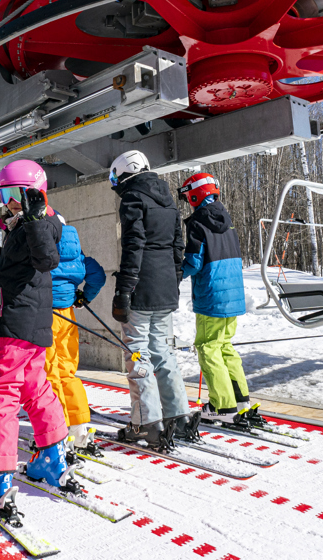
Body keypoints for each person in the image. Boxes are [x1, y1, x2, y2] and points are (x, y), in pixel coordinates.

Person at [0, 159, 73, 518]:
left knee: (2, 394)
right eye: (6, 194)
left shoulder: (39, 222)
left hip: (17, 322)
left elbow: (46, 259)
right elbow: (23, 267)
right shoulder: (25, 224)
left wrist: (32, 218)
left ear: (37, 194)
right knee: (34, 387)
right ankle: (51, 457)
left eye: (19, 194)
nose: (12, 202)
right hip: (30, 321)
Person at [109, 150, 194, 448]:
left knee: (137, 354)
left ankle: (146, 422)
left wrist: (124, 289)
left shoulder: (133, 198)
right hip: (165, 289)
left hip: (141, 289)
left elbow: (134, 246)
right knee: (164, 352)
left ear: (124, 173)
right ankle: (178, 416)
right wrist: (173, 282)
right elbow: (177, 247)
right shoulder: (168, 200)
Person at [179, 172, 251, 425]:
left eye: (188, 196)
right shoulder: (227, 220)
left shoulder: (198, 222)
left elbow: (194, 261)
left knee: (208, 347)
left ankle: (222, 406)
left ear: (196, 195)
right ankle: (240, 401)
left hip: (212, 296)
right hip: (233, 295)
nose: (188, 202)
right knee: (225, 346)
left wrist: (174, 274)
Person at [47, 216, 105, 454]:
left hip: (44, 315)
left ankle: (56, 430)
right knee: (67, 371)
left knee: (48, 373)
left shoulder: (42, 245)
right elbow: (98, 275)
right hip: (67, 315)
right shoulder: (75, 252)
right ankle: (79, 429)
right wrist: (84, 296)